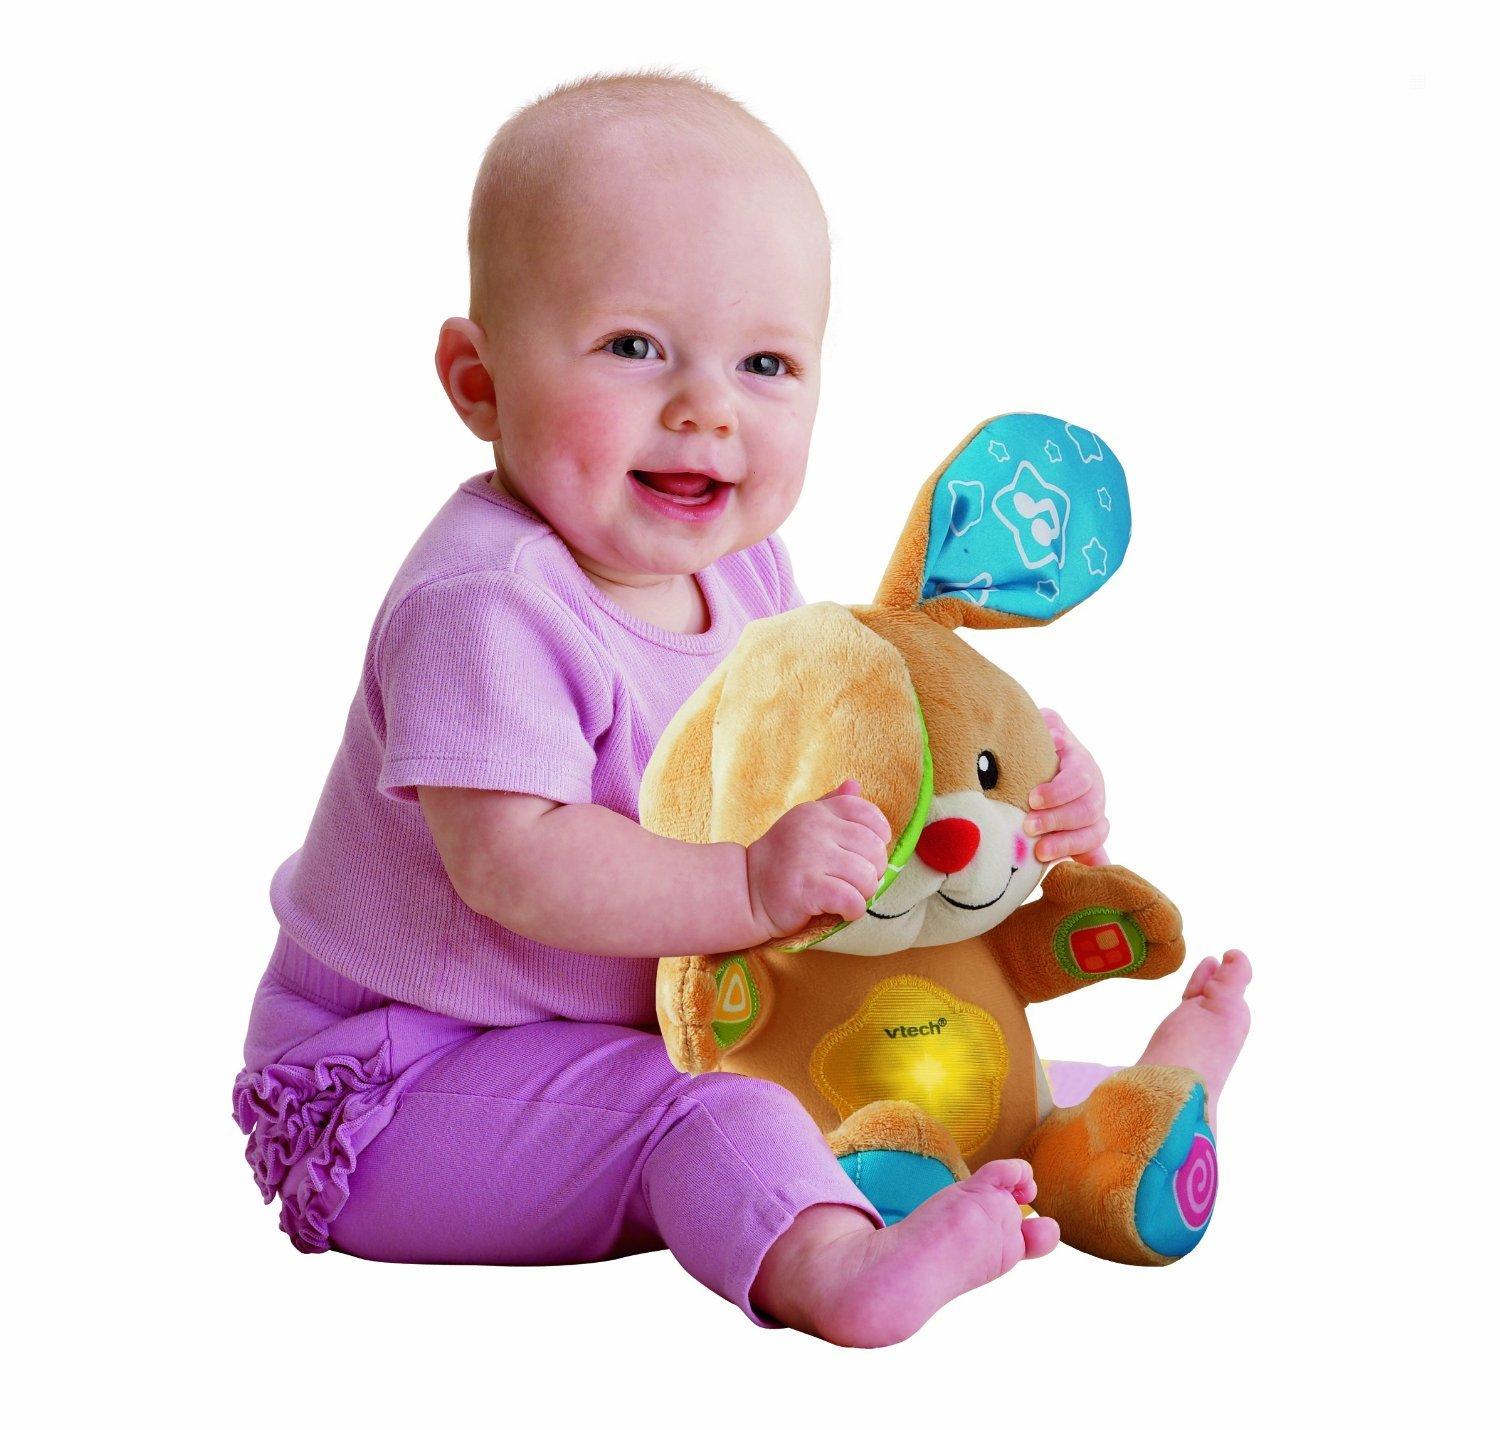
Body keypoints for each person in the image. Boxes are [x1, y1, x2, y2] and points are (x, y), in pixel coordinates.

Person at [234, 70, 1251, 1347]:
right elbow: (514, 861)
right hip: (402, 1081)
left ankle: (1127, 1119)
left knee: (928, 1050)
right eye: (632, 346)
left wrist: (1019, 786)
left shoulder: (747, 571)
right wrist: (752, 885)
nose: (705, 405)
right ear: (479, 381)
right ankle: (835, 1269)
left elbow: (838, 776)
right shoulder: (487, 602)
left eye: (764, 363)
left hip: (655, 1030)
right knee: (712, 1111)